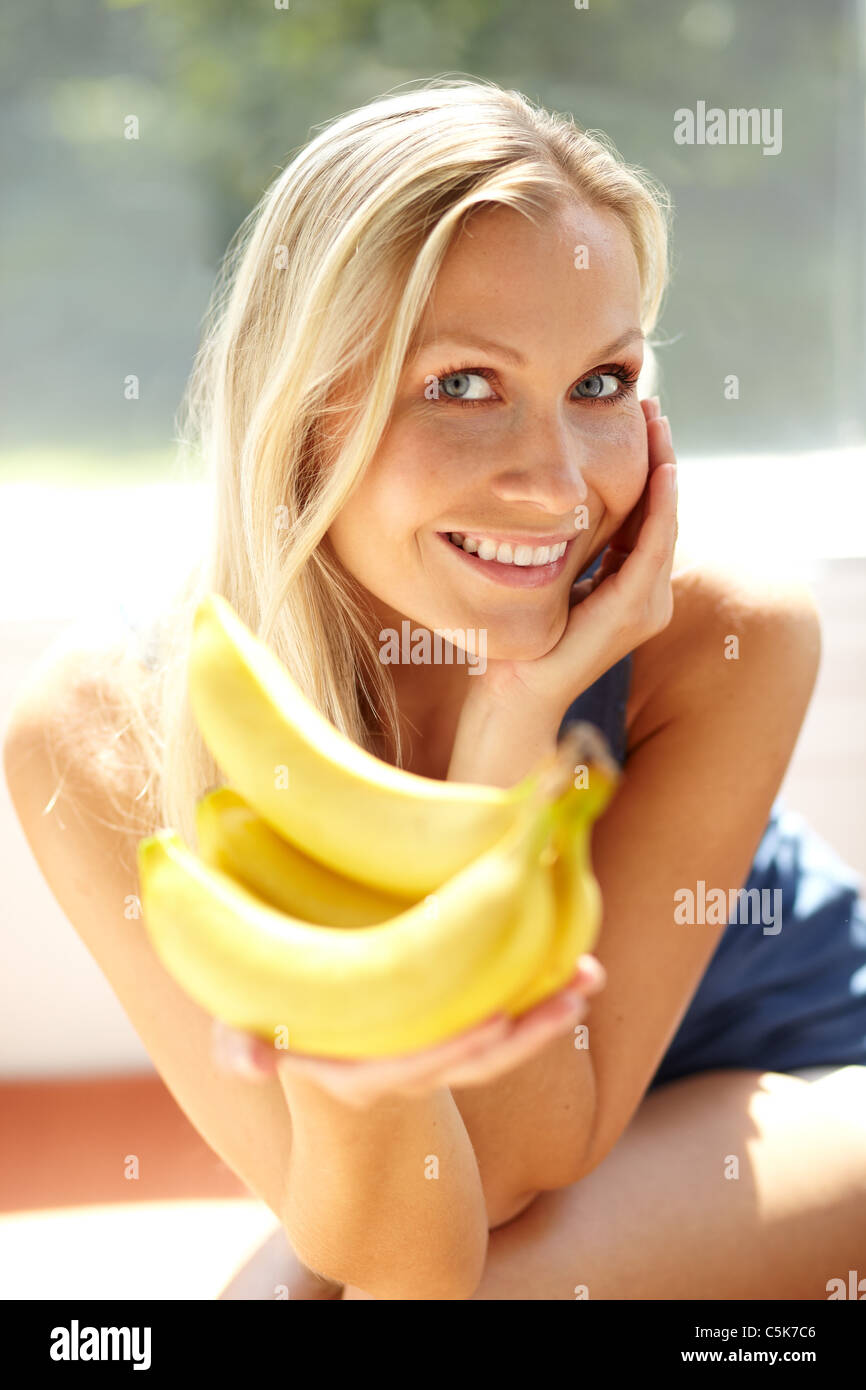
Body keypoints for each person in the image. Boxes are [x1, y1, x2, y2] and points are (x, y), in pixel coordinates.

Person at [5, 78, 865, 1303]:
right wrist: (367, 1075)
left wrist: (519, 711)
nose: (557, 484)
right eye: (464, 385)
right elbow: (386, 1243)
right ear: (301, 413)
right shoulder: (105, 727)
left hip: (800, 1082)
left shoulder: (722, 634)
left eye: (602, 382)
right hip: (482, 1142)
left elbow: (515, 1167)